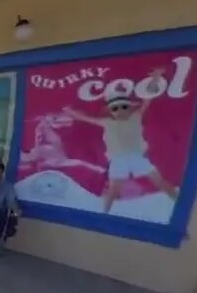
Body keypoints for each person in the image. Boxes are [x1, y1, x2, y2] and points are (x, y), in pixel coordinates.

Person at [62, 69, 178, 213]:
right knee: (114, 190)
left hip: (137, 157)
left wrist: (155, 78)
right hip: (118, 160)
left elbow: (148, 98)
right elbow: (84, 118)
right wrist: (69, 111)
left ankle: (178, 203)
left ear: (129, 108)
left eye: (123, 107)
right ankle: (104, 214)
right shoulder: (107, 122)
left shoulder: (136, 116)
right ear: (111, 111)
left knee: (159, 182)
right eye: (115, 108)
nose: (120, 110)